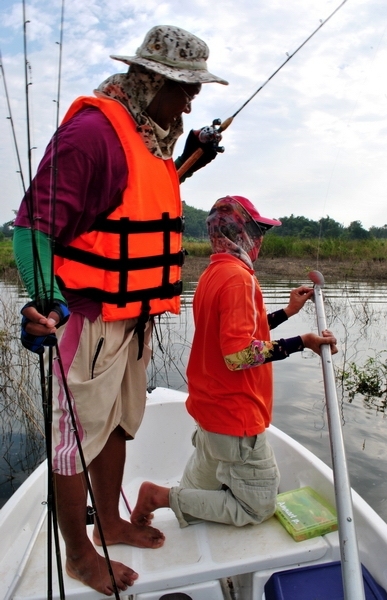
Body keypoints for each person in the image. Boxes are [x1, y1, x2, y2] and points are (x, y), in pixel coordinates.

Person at [13, 25, 228, 596]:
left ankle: (109, 520)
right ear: (151, 79)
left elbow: (131, 201)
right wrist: (42, 301)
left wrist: (189, 163)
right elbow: (31, 231)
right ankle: (80, 552)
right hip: (87, 320)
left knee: (118, 429)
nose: (191, 101)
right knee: (74, 440)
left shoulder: (149, 136)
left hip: (133, 322)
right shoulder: (91, 133)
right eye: (184, 88)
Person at [131, 195, 338, 530]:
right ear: (239, 234)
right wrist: (302, 342)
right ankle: (160, 496)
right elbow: (238, 355)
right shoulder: (240, 279)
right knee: (259, 507)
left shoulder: (214, 273)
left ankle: (179, 497)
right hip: (234, 417)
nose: (259, 240)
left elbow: (236, 335)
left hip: (210, 410)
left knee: (200, 489)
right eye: (257, 232)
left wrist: (287, 312)